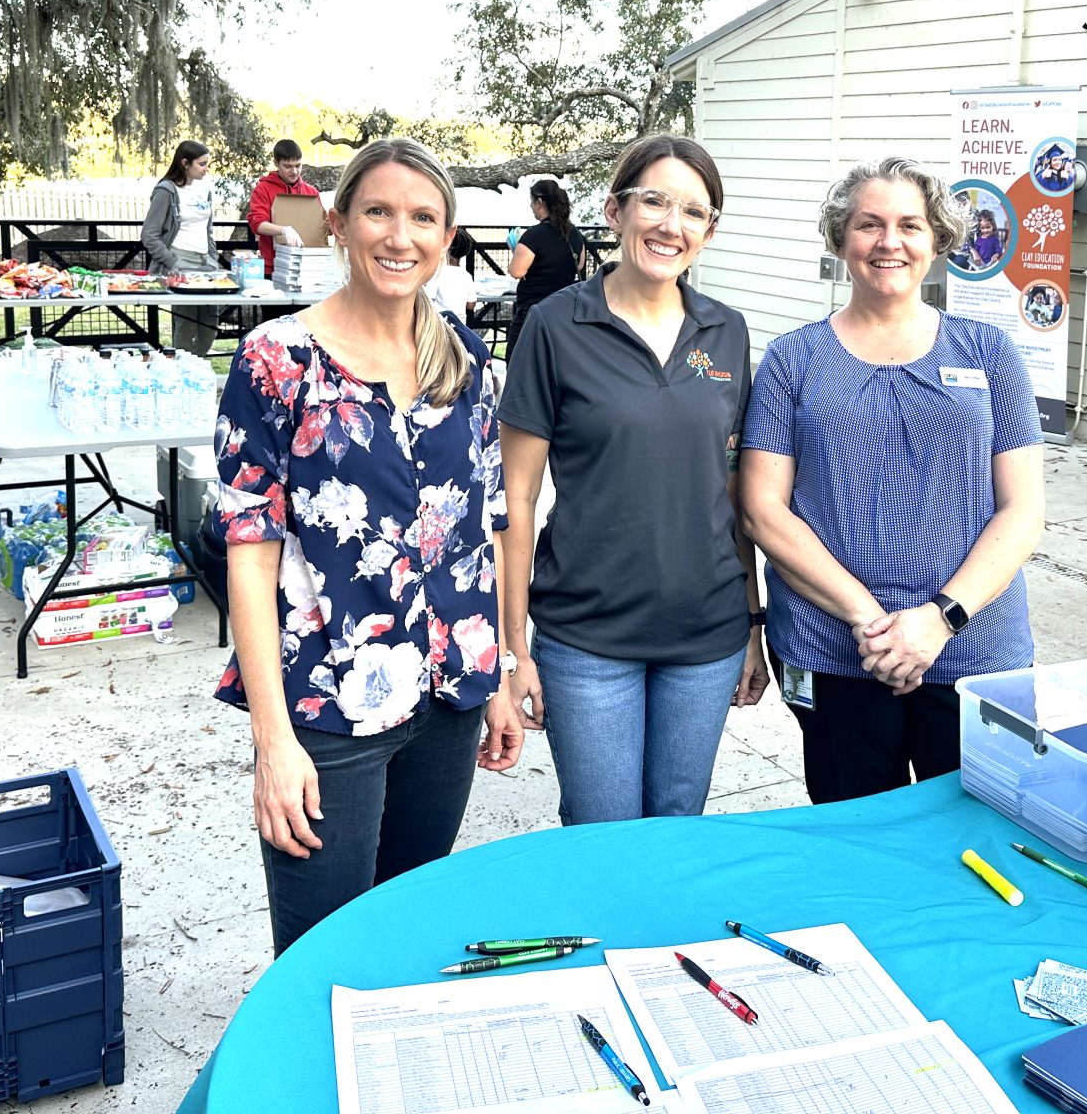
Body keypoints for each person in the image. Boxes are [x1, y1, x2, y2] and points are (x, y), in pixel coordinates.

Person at [212, 137, 522, 957]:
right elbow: (250, 554)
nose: (399, 236)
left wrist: (497, 673)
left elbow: (482, 532)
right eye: (379, 211)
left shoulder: (465, 359)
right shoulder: (277, 361)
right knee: (320, 953)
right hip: (326, 708)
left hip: (447, 703)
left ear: (446, 237)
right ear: (339, 224)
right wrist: (272, 741)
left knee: (407, 933)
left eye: (423, 218)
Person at [740, 156, 1045, 805]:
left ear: (937, 240)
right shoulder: (793, 360)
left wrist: (938, 620)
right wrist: (871, 621)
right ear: (840, 238)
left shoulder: (989, 352)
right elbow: (763, 510)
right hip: (833, 650)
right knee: (856, 838)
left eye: (910, 225)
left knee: (974, 839)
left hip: (974, 652)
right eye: (868, 224)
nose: (889, 242)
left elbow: (1022, 512)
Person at [498, 134, 765, 825]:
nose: (671, 225)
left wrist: (752, 623)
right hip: (587, 637)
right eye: (654, 201)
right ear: (616, 211)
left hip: (705, 636)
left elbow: (732, 490)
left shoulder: (727, 332)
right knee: (603, 837)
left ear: (710, 231)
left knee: (678, 830)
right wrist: (513, 648)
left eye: (693, 211)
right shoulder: (555, 326)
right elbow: (515, 499)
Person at [140, 138, 225, 355]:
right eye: (202, 164)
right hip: (180, 261)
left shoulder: (204, 189)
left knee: (210, 326)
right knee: (186, 325)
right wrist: (171, 262)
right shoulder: (166, 191)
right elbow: (149, 234)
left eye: (207, 164)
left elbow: (207, 229)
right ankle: (182, 368)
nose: (206, 169)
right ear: (185, 163)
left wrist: (213, 257)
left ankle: (196, 364)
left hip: (206, 263)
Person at [505, 178, 586, 355]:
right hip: (563, 308)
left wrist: (517, 252)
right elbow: (580, 264)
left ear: (540, 202)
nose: (531, 206)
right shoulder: (573, 233)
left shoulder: (534, 235)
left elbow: (516, 271)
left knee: (519, 357)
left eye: (532, 201)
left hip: (533, 309)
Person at [246, 138, 321, 271]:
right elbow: (258, 224)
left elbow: (322, 226)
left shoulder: (311, 192)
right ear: (276, 163)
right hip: (273, 267)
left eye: (298, 166)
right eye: (288, 166)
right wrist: (284, 230)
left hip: (307, 267)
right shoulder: (263, 189)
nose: (294, 171)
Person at [430, 227, 478, 324]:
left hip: (441, 324)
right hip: (460, 325)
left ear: (446, 246)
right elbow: (471, 305)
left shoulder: (437, 273)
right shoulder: (467, 276)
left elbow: (429, 299)